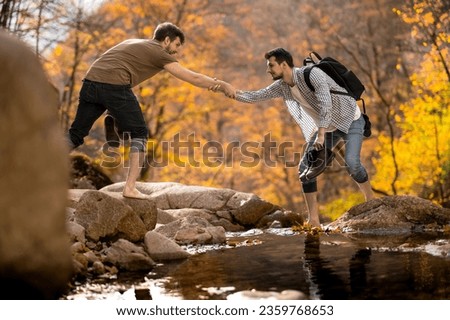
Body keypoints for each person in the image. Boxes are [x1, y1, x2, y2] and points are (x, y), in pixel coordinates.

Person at [67, 22, 235, 199]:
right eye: (177, 45)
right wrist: (221, 84)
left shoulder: (134, 42)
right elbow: (192, 77)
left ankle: (39, 168)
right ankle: (130, 187)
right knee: (139, 133)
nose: (178, 51)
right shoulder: (159, 52)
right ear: (166, 40)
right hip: (114, 86)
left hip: (90, 83)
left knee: (76, 134)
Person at [218, 47, 374, 227]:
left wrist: (321, 135)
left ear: (284, 65)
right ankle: (314, 220)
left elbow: (326, 105)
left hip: (350, 119)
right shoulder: (282, 86)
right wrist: (227, 90)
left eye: (271, 65)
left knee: (352, 162)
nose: (268, 70)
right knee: (304, 169)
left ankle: (370, 199)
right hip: (328, 127)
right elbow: (255, 96)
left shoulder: (312, 74)